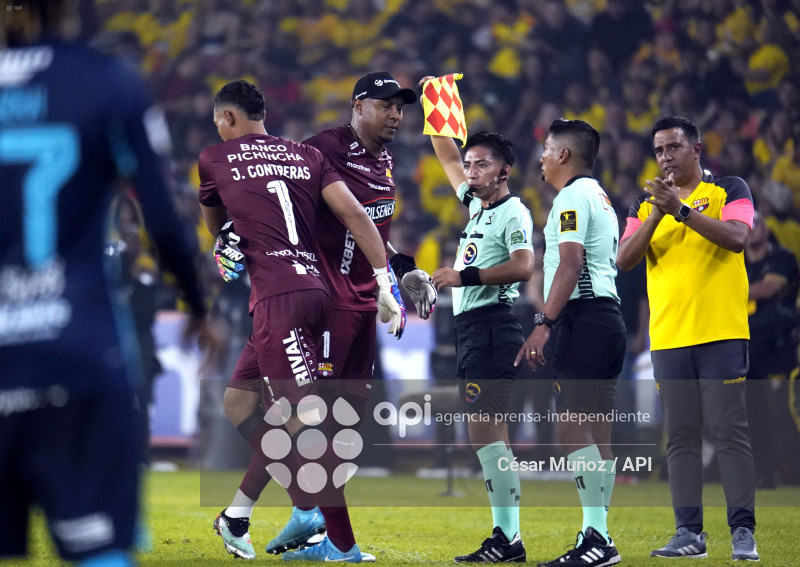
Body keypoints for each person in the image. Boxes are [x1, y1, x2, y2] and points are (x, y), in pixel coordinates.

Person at [0, 2, 218, 565]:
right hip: (76, 347)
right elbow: (162, 217)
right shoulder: (105, 80)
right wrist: (197, 304)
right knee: (98, 550)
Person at [201, 77, 432, 563]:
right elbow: (278, 205)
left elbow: (366, 224)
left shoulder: (383, 161)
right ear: (358, 107)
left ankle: (291, 514)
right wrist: (232, 238)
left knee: (326, 424)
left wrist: (399, 270)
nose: (395, 114)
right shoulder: (319, 150)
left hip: (349, 301)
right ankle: (327, 531)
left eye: (400, 107)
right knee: (285, 415)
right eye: (385, 105)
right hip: (322, 302)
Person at [616, 116, 759, 561]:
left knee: (729, 431)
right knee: (680, 436)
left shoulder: (729, 189)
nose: (665, 157)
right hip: (669, 338)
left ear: (696, 149)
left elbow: (737, 238)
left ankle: (743, 531)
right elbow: (624, 260)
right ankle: (688, 533)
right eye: (659, 150)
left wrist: (680, 210)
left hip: (721, 332)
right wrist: (658, 212)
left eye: (673, 147)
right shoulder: (645, 205)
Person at [515, 119, 625, 567]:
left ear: (564, 154)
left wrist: (544, 322)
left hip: (584, 320)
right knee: (598, 432)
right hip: (607, 317)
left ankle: (598, 538)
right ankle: (598, 535)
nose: (541, 157)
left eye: (546, 149)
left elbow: (571, 262)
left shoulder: (572, 196)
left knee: (569, 427)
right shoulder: (600, 195)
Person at [426, 112, 534, 560]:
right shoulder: (476, 206)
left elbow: (524, 265)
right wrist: (436, 100)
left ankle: (508, 538)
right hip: (472, 330)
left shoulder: (514, 211)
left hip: (493, 326)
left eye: (482, 164)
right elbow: (446, 154)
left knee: (487, 434)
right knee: (487, 435)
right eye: (470, 165)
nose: (470, 171)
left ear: (503, 171)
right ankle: (507, 537)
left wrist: (464, 276)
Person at [744, 211, 799, 489]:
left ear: (766, 230)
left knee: (782, 413)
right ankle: (763, 473)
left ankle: (792, 471)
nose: (752, 229)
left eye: (757, 224)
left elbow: (770, 288)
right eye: (748, 225)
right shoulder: (736, 260)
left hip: (778, 346)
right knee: (754, 414)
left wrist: (733, 292)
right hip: (747, 348)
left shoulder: (782, 257)